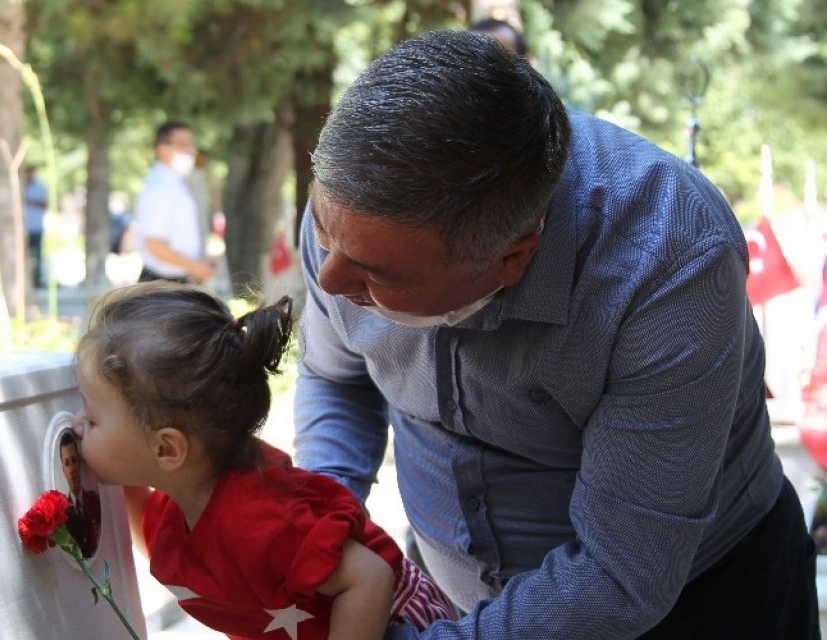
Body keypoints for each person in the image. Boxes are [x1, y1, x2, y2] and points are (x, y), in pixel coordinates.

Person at [296, 29, 818, 639]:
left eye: (375, 275)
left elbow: (620, 575)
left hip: (696, 604)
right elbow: (335, 378)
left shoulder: (669, 262)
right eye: (326, 238)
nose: (330, 281)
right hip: (452, 597)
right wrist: (322, 526)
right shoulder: (356, 209)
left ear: (513, 258)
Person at [71, 281, 456, 639]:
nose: (76, 426)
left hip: (396, 624)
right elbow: (159, 539)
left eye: (91, 418)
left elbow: (368, 576)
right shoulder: (189, 495)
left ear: (167, 449)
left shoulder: (262, 521)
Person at [134, 121, 215, 284]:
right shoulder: (159, 188)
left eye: (191, 144)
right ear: (162, 150)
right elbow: (154, 243)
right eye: (183, 144)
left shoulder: (175, 184)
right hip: (162, 283)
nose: (192, 150)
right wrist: (196, 267)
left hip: (174, 281)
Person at [59, 429, 101, 558]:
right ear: (63, 470)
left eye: (73, 460)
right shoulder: (63, 514)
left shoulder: (95, 501)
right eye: (67, 463)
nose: (71, 469)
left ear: (80, 463)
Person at [22, 164, 48, 288]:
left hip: (36, 227)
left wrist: (29, 201)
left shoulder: (40, 187)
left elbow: (44, 204)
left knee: (37, 256)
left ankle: (37, 281)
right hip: (22, 229)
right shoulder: (20, 186)